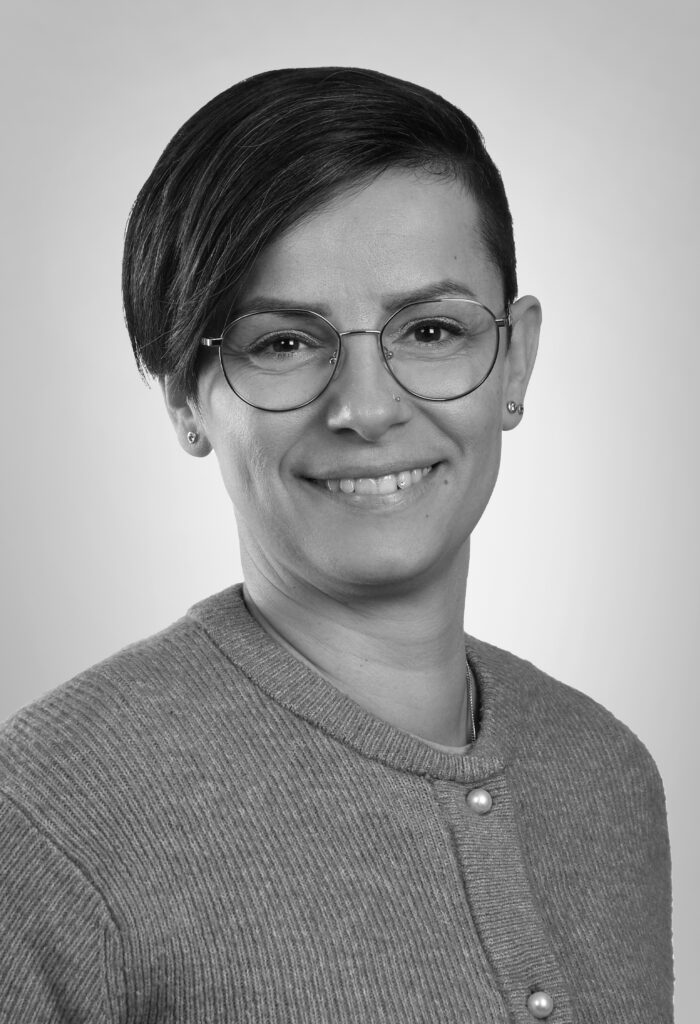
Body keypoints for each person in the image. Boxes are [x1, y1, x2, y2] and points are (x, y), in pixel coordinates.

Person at [0, 67, 673, 1023]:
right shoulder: (47, 818)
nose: (367, 407)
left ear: (514, 359)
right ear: (186, 397)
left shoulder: (603, 774)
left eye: (430, 329)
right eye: (282, 343)